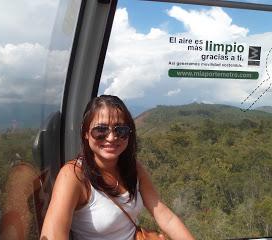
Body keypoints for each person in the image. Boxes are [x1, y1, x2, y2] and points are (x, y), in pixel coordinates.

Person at [40, 95, 195, 240]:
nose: (111, 137)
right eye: (101, 130)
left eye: (120, 130)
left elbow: (165, 216)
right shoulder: (74, 176)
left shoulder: (133, 168)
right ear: (86, 132)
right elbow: (53, 235)